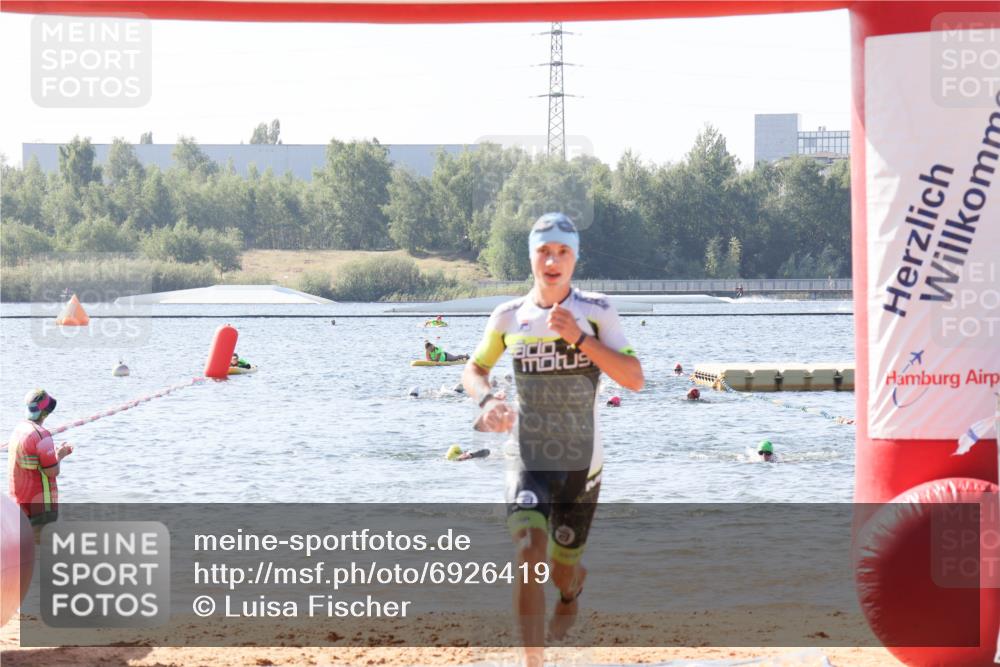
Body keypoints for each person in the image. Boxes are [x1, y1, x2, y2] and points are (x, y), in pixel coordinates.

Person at [462, 212, 644, 667]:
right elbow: (474, 369)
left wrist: (579, 338)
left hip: (583, 465)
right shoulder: (508, 316)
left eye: (562, 251)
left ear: (574, 259)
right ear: (531, 257)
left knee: (563, 570)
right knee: (528, 551)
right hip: (528, 456)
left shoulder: (597, 312)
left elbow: (634, 379)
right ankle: (533, 663)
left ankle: (572, 589)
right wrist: (487, 402)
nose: (552, 260)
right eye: (544, 251)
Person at [7, 389, 73, 534]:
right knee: (42, 548)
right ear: (45, 414)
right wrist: (60, 454)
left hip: (19, 503)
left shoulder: (18, 430)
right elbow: (52, 471)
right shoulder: (42, 436)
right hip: (40, 507)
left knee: (26, 550)